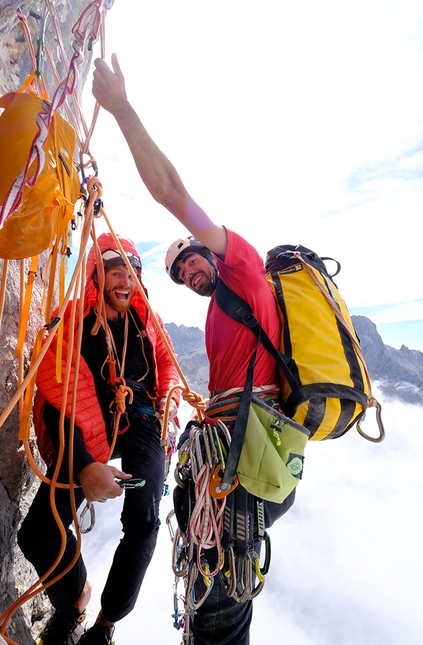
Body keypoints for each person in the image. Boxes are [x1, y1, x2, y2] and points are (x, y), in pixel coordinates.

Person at [92, 55, 296, 645]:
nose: (190, 273)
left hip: (246, 445)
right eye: (181, 273)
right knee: (201, 553)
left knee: (219, 594)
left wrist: (122, 109)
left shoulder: (243, 268)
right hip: (233, 442)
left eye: (192, 261)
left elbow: (170, 192)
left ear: (213, 252)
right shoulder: (217, 310)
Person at [18, 232, 181, 645]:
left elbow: (167, 364)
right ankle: (76, 598)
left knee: (142, 522)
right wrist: (84, 465)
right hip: (86, 428)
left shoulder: (146, 322)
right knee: (38, 533)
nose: (126, 282)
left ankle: (106, 623)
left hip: (142, 422)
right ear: (95, 275)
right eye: (115, 272)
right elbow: (56, 400)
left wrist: (172, 399)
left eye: (132, 273)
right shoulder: (70, 322)